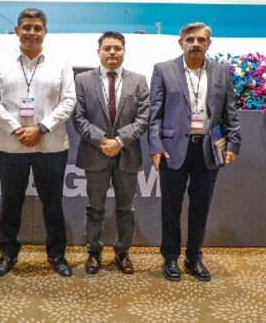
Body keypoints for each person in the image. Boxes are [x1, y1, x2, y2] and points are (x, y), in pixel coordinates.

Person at [0, 7, 76, 277]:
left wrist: (41, 128)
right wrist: (16, 129)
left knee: (53, 203)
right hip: (11, 146)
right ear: (17, 30)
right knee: (11, 203)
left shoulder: (60, 64)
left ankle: (57, 255)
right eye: (26, 27)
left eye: (37, 28)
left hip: (51, 146)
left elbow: (69, 101)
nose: (31, 33)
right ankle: (7, 254)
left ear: (45, 32)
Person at [148, 22, 241, 282]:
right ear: (181, 43)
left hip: (208, 149)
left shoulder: (221, 72)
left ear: (209, 43)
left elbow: (230, 112)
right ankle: (170, 258)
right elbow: (154, 114)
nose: (195, 44)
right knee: (171, 208)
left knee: (201, 207)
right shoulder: (163, 70)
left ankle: (193, 258)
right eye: (190, 39)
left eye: (201, 40)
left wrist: (233, 143)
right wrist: (156, 145)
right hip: (172, 150)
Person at [72, 31, 149, 275]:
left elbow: (143, 118)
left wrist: (119, 141)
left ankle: (122, 252)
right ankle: (94, 252)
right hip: (96, 153)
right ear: (99, 52)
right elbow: (78, 118)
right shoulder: (82, 80)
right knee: (95, 208)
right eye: (107, 48)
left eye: (117, 48)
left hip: (127, 155)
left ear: (124, 51)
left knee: (126, 209)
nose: (112, 52)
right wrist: (104, 141)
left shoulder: (139, 80)